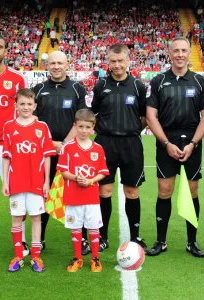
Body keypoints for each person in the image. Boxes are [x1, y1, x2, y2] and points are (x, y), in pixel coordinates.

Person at [145, 37, 204, 257]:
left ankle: (192, 242)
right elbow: (151, 116)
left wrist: (193, 143)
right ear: (169, 53)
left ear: (189, 53)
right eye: (176, 51)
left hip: (192, 141)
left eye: (184, 50)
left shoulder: (200, 81)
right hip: (167, 141)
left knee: (192, 191)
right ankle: (161, 241)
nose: (180, 54)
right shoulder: (158, 81)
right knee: (165, 191)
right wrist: (165, 143)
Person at [91, 44, 147, 252]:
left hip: (131, 143)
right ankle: (102, 236)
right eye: (113, 61)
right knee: (104, 190)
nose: (116, 65)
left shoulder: (138, 86)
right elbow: (92, 114)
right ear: (108, 62)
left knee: (131, 191)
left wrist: (130, 131)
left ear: (127, 61)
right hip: (105, 143)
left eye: (120, 61)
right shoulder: (100, 86)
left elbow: (144, 117)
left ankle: (135, 236)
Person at [32, 51, 89, 253]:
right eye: (52, 63)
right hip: (44, 152)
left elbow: (82, 120)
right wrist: (50, 143)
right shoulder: (37, 89)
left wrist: (64, 143)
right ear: (47, 65)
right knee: (43, 194)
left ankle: (81, 239)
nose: (56, 66)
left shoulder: (77, 88)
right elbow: (33, 122)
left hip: (71, 151)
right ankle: (40, 238)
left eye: (60, 63)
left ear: (67, 65)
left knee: (76, 193)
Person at [2, 88, 56, 272]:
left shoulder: (42, 127)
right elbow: (6, 156)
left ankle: (35, 257)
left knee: (35, 217)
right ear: (16, 106)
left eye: (29, 104)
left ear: (35, 106)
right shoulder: (9, 126)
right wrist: (6, 181)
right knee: (16, 218)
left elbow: (47, 156)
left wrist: (47, 181)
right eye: (22, 104)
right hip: (16, 181)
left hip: (36, 181)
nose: (25, 107)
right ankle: (18, 256)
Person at [0, 34, 29, 256]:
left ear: (6, 51)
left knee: (17, 193)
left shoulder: (17, 79)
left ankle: (21, 240)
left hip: (9, 146)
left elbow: (25, 111)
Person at [57, 109, 109, 272]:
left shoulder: (98, 149)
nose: (84, 131)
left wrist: (91, 180)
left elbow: (102, 172)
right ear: (75, 126)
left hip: (92, 197)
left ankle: (95, 258)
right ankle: (78, 258)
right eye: (81, 127)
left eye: (87, 127)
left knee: (94, 227)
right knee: (76, 227)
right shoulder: (68, 148)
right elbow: (63, 171)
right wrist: (76, 178)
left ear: (93, 127)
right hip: (73, 196)